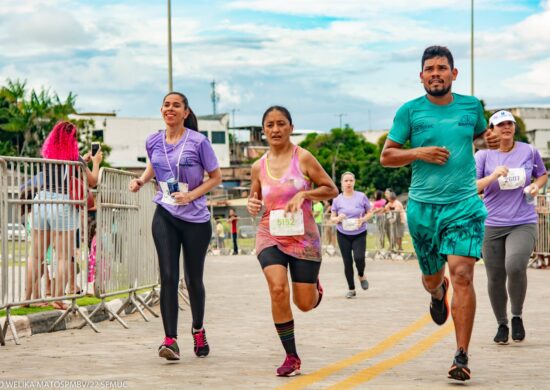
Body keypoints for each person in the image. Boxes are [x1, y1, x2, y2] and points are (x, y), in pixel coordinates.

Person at [380, 46, 500, 382]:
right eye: (430, 69)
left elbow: (478, 136)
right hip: (423, 209)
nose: (436, 73)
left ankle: (461, 354)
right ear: (421, 77)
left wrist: (486, 139)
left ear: (453, 73)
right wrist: (419, 152)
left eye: (442, 68)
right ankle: (436, 292)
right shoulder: (410, 112)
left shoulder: (471, 106)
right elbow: (386, 157)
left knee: (463, 274)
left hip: (463, 204)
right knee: (434, 278)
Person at [129, 91, 222, 361]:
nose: (171, 109)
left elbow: (216, 177)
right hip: (165, 214)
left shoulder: (199, 142)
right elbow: (155, 166)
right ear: (161, 111)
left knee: (193, 280)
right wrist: (141, 181)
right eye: (167, 105)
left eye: (176, 106)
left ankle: (198, 329)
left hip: (195, 219)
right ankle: (170, 340)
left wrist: (191, 195)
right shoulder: (153, 140)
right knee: (168, 276)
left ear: (185, 113)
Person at [247, 106, 338, 376]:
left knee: (304, 304)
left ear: (290, 127)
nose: (276, 129)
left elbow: (330, 188)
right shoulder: (257, 167)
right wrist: (253, 205)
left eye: (281, 124)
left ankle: (314, 290)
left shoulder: (304, 158)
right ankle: (291, 356)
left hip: (303, 238)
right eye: (270, 125)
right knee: (277, 289)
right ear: (264, 130)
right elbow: (256, 200)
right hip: (270, 234)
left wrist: (306, 196)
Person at [475, 110, 548, 344]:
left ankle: (517, 315)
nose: (506, 127)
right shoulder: (483, 155)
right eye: (500, 124)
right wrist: (493, 176)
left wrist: (536, 186)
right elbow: (472, 187)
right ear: (491, 129)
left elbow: (542, 175)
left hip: (523, 221)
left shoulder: (528, 150)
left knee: (515, 266)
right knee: (495, 277)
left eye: (510, 124)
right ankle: (502, 324)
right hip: (491, 224)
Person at [28, 121, 102, 310]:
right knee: (62, 256)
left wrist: (81, 161)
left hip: (41, 201)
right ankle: (57, 298)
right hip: (62, 204)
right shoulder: (74, 157)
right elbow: (92, 181)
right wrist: (95, 163)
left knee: (35, 256)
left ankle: (26, 298)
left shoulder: (47, 155)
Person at [330, 172, 372, 298]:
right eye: (346, 181)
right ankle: (351, 289)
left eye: (351, 180)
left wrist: (363, 220)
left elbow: (370, 212)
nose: (348, 183)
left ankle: (361, 274)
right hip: (343, 234)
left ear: (354, 182)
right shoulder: (337, 199)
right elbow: (332, 218)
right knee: (347, 262)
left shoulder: (361, 196)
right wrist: (338, 218)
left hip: (359, 232)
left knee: (359, 258)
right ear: (342, 183)